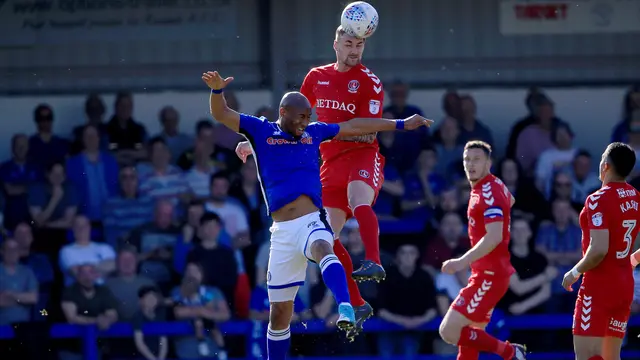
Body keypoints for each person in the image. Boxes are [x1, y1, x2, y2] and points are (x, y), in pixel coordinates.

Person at [201, 69, 430, 359]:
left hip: (311, 220)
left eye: (309, 117)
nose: (305, 123)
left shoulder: (313, 132)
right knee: (280, 314)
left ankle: (347, 306)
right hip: (282, 233)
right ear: (283, 112)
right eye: (300, 117)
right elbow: (222, 114)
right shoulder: (260, 130)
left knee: (325, 245)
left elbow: (352, 125)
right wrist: (217, 90)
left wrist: (398, 124)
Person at [236, 26, 397, 338]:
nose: (354, 51)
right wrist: (257, 141)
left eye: (360, 45)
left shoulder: (370, 81)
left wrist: (339, 129)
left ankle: (374, 262)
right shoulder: (316, 77)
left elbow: (370, 131)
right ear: (335, 44)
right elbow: (293, 119)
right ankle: (357, 302)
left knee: (358, 200)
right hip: (330, 161)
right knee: (328, 238)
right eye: (349, 44)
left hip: (362, 156)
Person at [438, 141, 527, 360]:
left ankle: (510, 352)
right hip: (488, 273)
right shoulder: (491, 186)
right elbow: (511, 200)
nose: (471, 164)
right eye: (467, 159)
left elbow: (494, 236)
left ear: (489, 162)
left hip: (489, 276)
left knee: (449, 331)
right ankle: (511, 352)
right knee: (470, 341)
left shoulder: (488, 191)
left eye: (477, 159)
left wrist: (460, 262)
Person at [561, 142, 639, 360]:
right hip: (624, 286)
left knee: (588, 356)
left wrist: (574, 273)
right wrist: (630, 259)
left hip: (599, 287)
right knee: (610, 356)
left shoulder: (597, 199)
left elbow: (599, 250)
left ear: (605, 165)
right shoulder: (636, 197)